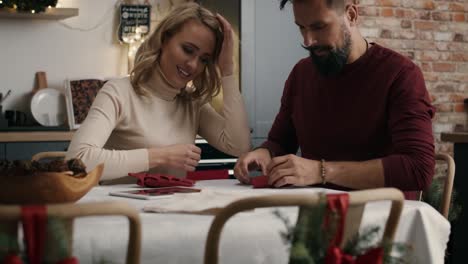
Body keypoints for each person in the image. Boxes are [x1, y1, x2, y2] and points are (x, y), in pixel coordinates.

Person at [233, 0, 435, 199]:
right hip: (315, 212)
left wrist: (321, 171)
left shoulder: (400, 75)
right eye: (301, 28)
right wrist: (263, 153)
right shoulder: (301, 74)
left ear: (351, 15)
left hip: (381, 218)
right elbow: (279, 141)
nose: (308, 40)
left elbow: (418, 169)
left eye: (319, 27)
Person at [66, 3, 251, 183]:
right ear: (164, 39)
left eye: (204, 59)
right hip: (122, 212)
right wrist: (160, 156)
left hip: (172, 210)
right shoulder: (118, 92)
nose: (194, 65)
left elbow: (239, 146)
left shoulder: (193, 102)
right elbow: (78, 160)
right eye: (188, 50)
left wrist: (228, 72)